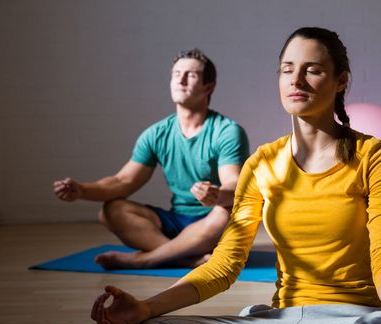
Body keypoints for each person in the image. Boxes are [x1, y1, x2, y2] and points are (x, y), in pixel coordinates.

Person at [91, 27, 381, 324]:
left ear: (340, 80)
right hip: (279, 323)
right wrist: (146, 308)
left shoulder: (372, 155)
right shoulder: (262, 163)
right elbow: (224, 265)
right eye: (287, 69)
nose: (296, 80)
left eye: (312, 69)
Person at [53, 49, 250, 269]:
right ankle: (185, 257)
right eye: (176, 74)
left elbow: (234, 186)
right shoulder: (156, 133)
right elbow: (122, 182)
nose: (181, 80)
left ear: (208, 87)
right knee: (111, 210)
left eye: (191, 75)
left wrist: (216, 195)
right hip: (176, 221)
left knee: (226, 212)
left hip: (212, 223)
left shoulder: (227, 131)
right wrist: (82, 190)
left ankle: (145, 259)